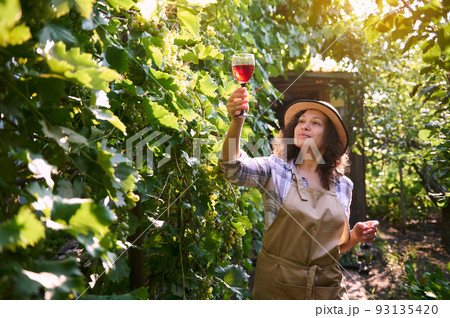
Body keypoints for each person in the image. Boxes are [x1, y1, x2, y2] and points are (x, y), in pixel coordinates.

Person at [219, 87, 379, 300]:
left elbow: (333, 250)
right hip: (278, 289)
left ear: (329, 138)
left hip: (328, 291)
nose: (305, 125)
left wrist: (355, 237)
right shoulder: (275, 170)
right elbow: (233, 169)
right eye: (302, 121)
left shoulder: (343, 185)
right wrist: (237, 121)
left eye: (315, 123)